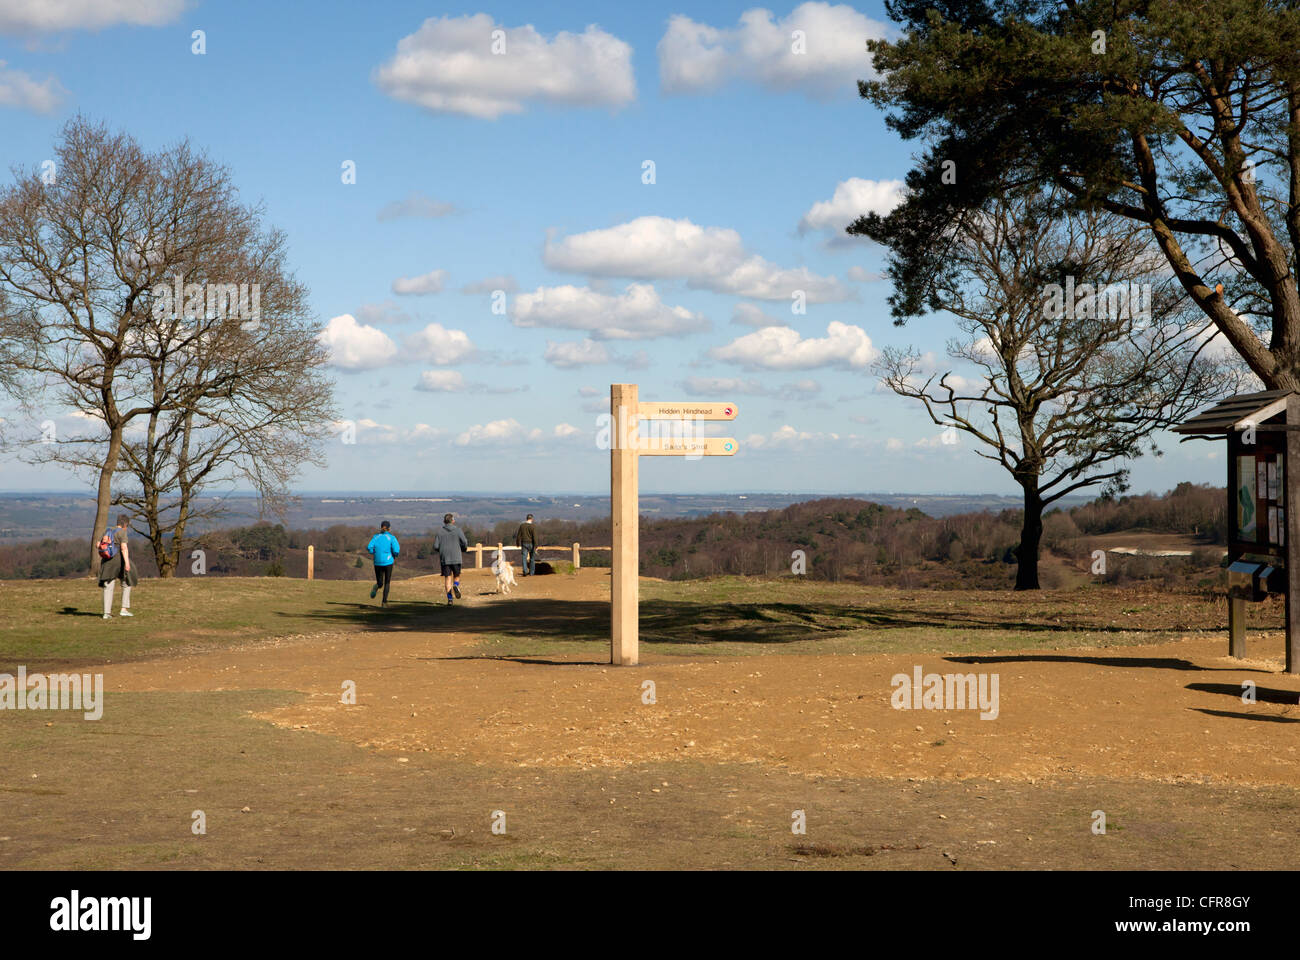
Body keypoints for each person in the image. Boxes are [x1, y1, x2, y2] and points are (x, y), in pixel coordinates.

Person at [97, 513, 138, 620]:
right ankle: (124, 609)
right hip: (118, 561)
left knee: (108, 586)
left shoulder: (107, 530)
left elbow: (98, 544)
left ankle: (106, 613)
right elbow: (124, 548)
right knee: (127, 582)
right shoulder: (122, 532)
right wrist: (127, 563)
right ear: (125, 524)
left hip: (106, 561)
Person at [433, 512, 468, 605]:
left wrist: (441, 550)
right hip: (456, 557)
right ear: (453, 521)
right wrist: (463, 548)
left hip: (445, 558)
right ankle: (455, 586)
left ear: (444, 521)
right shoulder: (458, 530)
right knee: (456, 576)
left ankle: (450, 599)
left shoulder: (439, 532)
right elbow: (464, 542)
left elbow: (436, 546)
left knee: (447, 578)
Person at [366, 520, 400, 606]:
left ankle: (377, 586)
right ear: (389, 528)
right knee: (387, 582)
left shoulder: (376, 537)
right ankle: (384, 602)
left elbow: (369, 547)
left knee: (380, 582)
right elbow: (396, 550)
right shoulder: (392, 538)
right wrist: (394, 555)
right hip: (388, 562)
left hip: (377, 562)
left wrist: (374, 552)